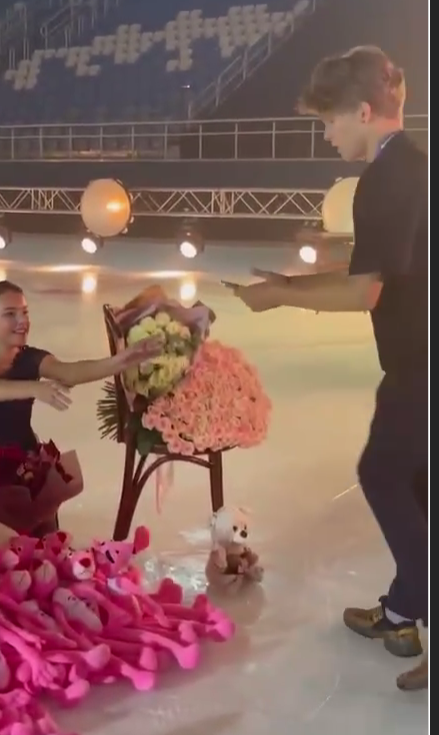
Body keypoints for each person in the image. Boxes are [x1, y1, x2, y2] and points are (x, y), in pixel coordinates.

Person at [228, 47, 428, 691]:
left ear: (362, 112)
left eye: (329, 120)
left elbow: (365, 290)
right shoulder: (414, 166)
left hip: (421, 366)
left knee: (383, 475)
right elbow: (378, 268)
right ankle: (403, 613)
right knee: (416, 485)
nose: (326, 134)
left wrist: (280, 296)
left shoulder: (385, 179)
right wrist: (291, 281)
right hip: (418, 359)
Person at [0, 279, 163, 537]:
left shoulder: (30, 357)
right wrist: (34, 388)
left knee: (39, 546)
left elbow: (69, 372)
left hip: (26, 468)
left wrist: (122, 360)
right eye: (10, 314)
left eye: (25, 312)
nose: (22, 321)